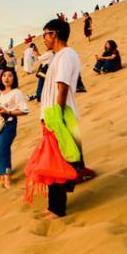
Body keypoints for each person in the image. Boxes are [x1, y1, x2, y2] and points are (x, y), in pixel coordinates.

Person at [38, 18, 93, 218]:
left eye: (46, 33)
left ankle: (57, 208)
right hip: (53, 115)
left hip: (59, 115)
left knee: (57, 163)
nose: (44, 38)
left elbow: (62, 87)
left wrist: (56, 116)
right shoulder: (59, 56)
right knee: (54, 161)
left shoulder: (66, 55)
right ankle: (53, 205)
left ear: (56, 34)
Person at [0, 68, 30, 189]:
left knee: (3, 150)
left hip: (9, 125)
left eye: (10, 76)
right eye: (4, 76)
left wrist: (8, 112)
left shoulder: (16, 92)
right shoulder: (0, 93)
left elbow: (24, 110)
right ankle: (2, 172)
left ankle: (7, 178)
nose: (6, 78)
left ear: (14, 78)